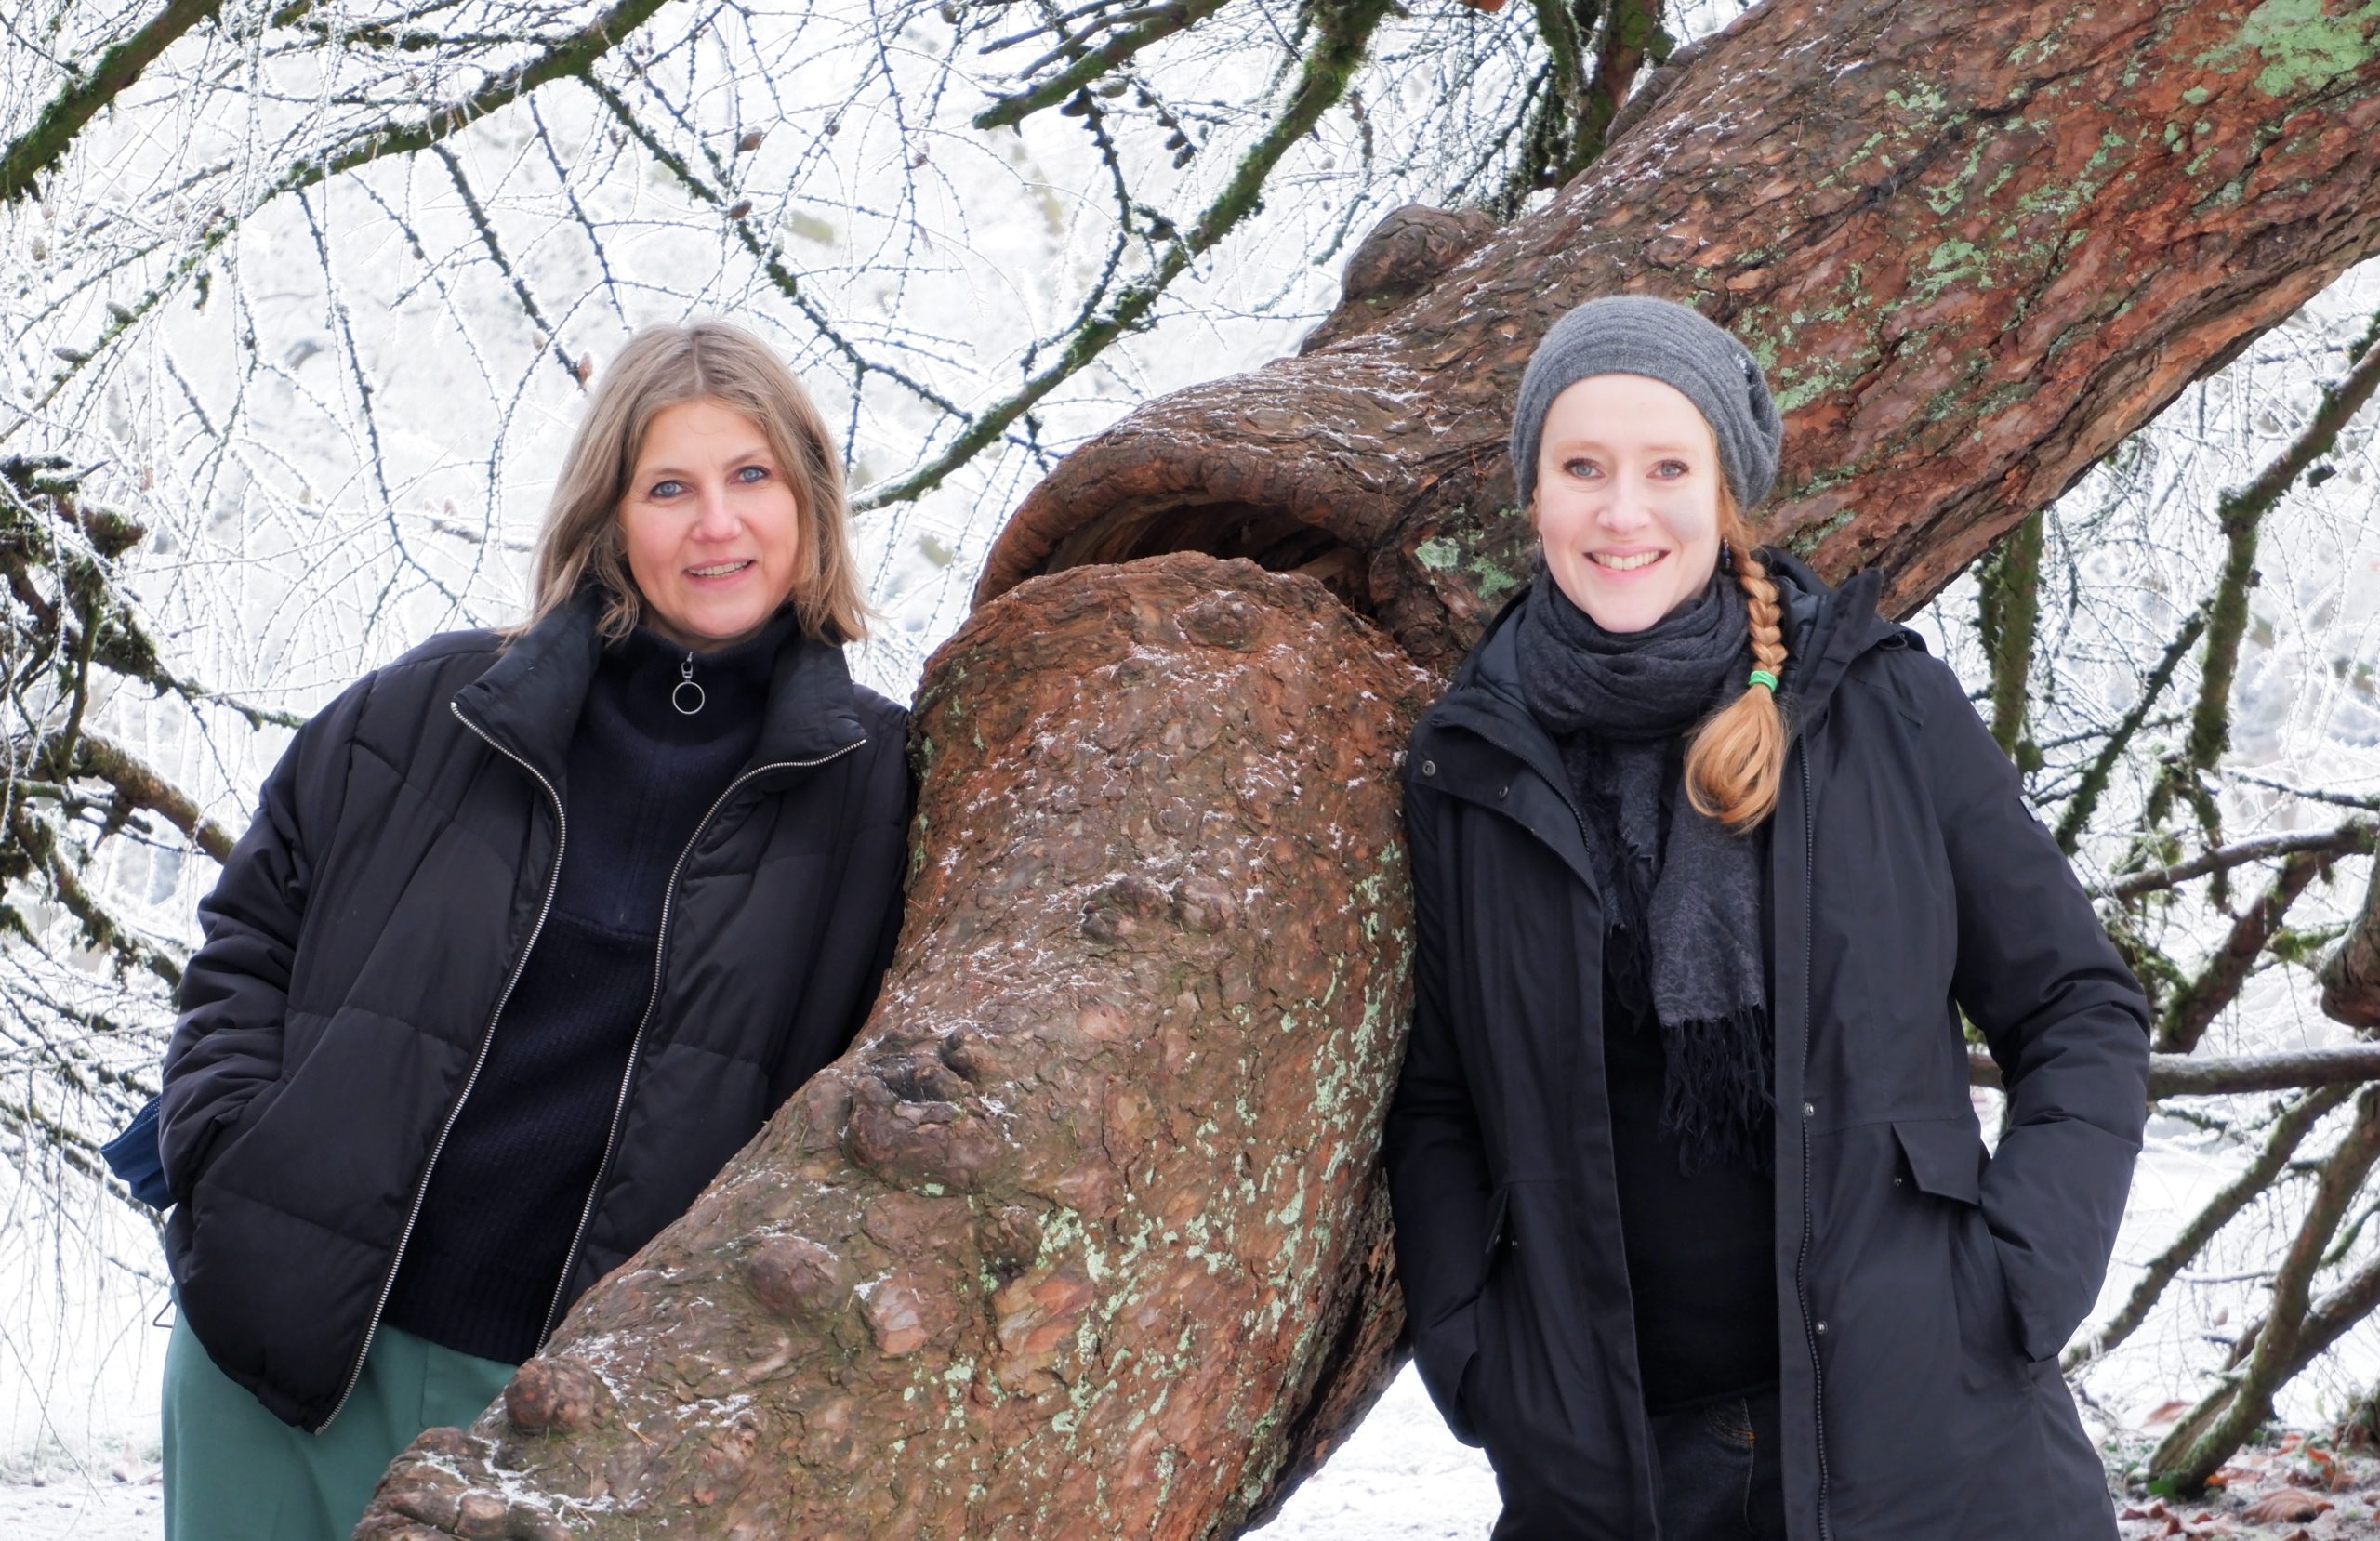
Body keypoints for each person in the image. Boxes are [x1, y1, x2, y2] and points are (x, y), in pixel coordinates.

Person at [1382, 295, 2151, 1540]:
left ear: (1727, 492)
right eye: (1583, 467)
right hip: (1613, 1475)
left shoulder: (1877, 708)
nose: (1623, 510)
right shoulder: (1471, 765)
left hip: (1935, 1448)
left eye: (1666, 467)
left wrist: (2022, 1285)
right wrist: (1477, 1355)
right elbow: (1440, 1101)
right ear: (1535, 496)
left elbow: (2081, 1008)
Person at [152, 321, 913, 1539]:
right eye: (670, 487)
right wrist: (227, 1156)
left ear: (810, 499)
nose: (715, 525)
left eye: (750, 477)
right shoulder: (433, 708)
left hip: (575, 1426)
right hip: (281, 1351)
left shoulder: (882, 792)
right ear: (609, 515)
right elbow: (250, 929)